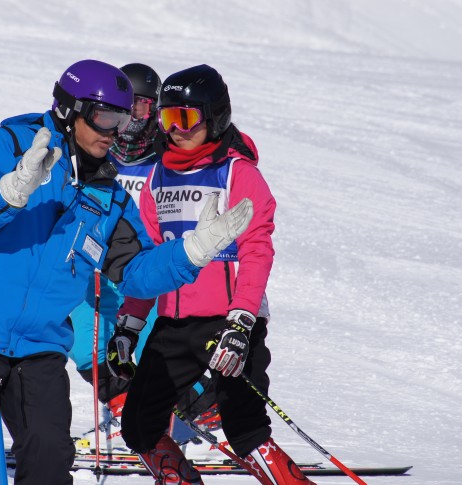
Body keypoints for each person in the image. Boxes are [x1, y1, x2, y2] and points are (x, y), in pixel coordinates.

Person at [0, 59, 254, 485]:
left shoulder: (108, 193)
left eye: (122, 118)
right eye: (104, 117)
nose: (113, 131)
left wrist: (191, 252)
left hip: (40, 347)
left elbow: (135, 273)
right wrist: (11, 191)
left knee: (49, 465)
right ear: (69, 109)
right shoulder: (14, 144)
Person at [107, 64, 316, 485]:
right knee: (139, 426)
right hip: (172, 325)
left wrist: (241, 322)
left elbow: (257, 251)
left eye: (185, 118)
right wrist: (130, 324)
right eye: (167, 118)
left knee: (246, 431)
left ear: (215, 116)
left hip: (228, 323)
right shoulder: (157, 178)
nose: (175, 130)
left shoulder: (238, 173)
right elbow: (148, 262)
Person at [68, 63, 219, 452]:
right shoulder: (97, 149)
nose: (136, 116)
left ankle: (189, 407)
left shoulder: (165, 154)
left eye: (145, 107)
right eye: (129, 106)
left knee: (155, 334)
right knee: (83, 332)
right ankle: (122, 408)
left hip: (147, 266)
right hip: (102, 264)